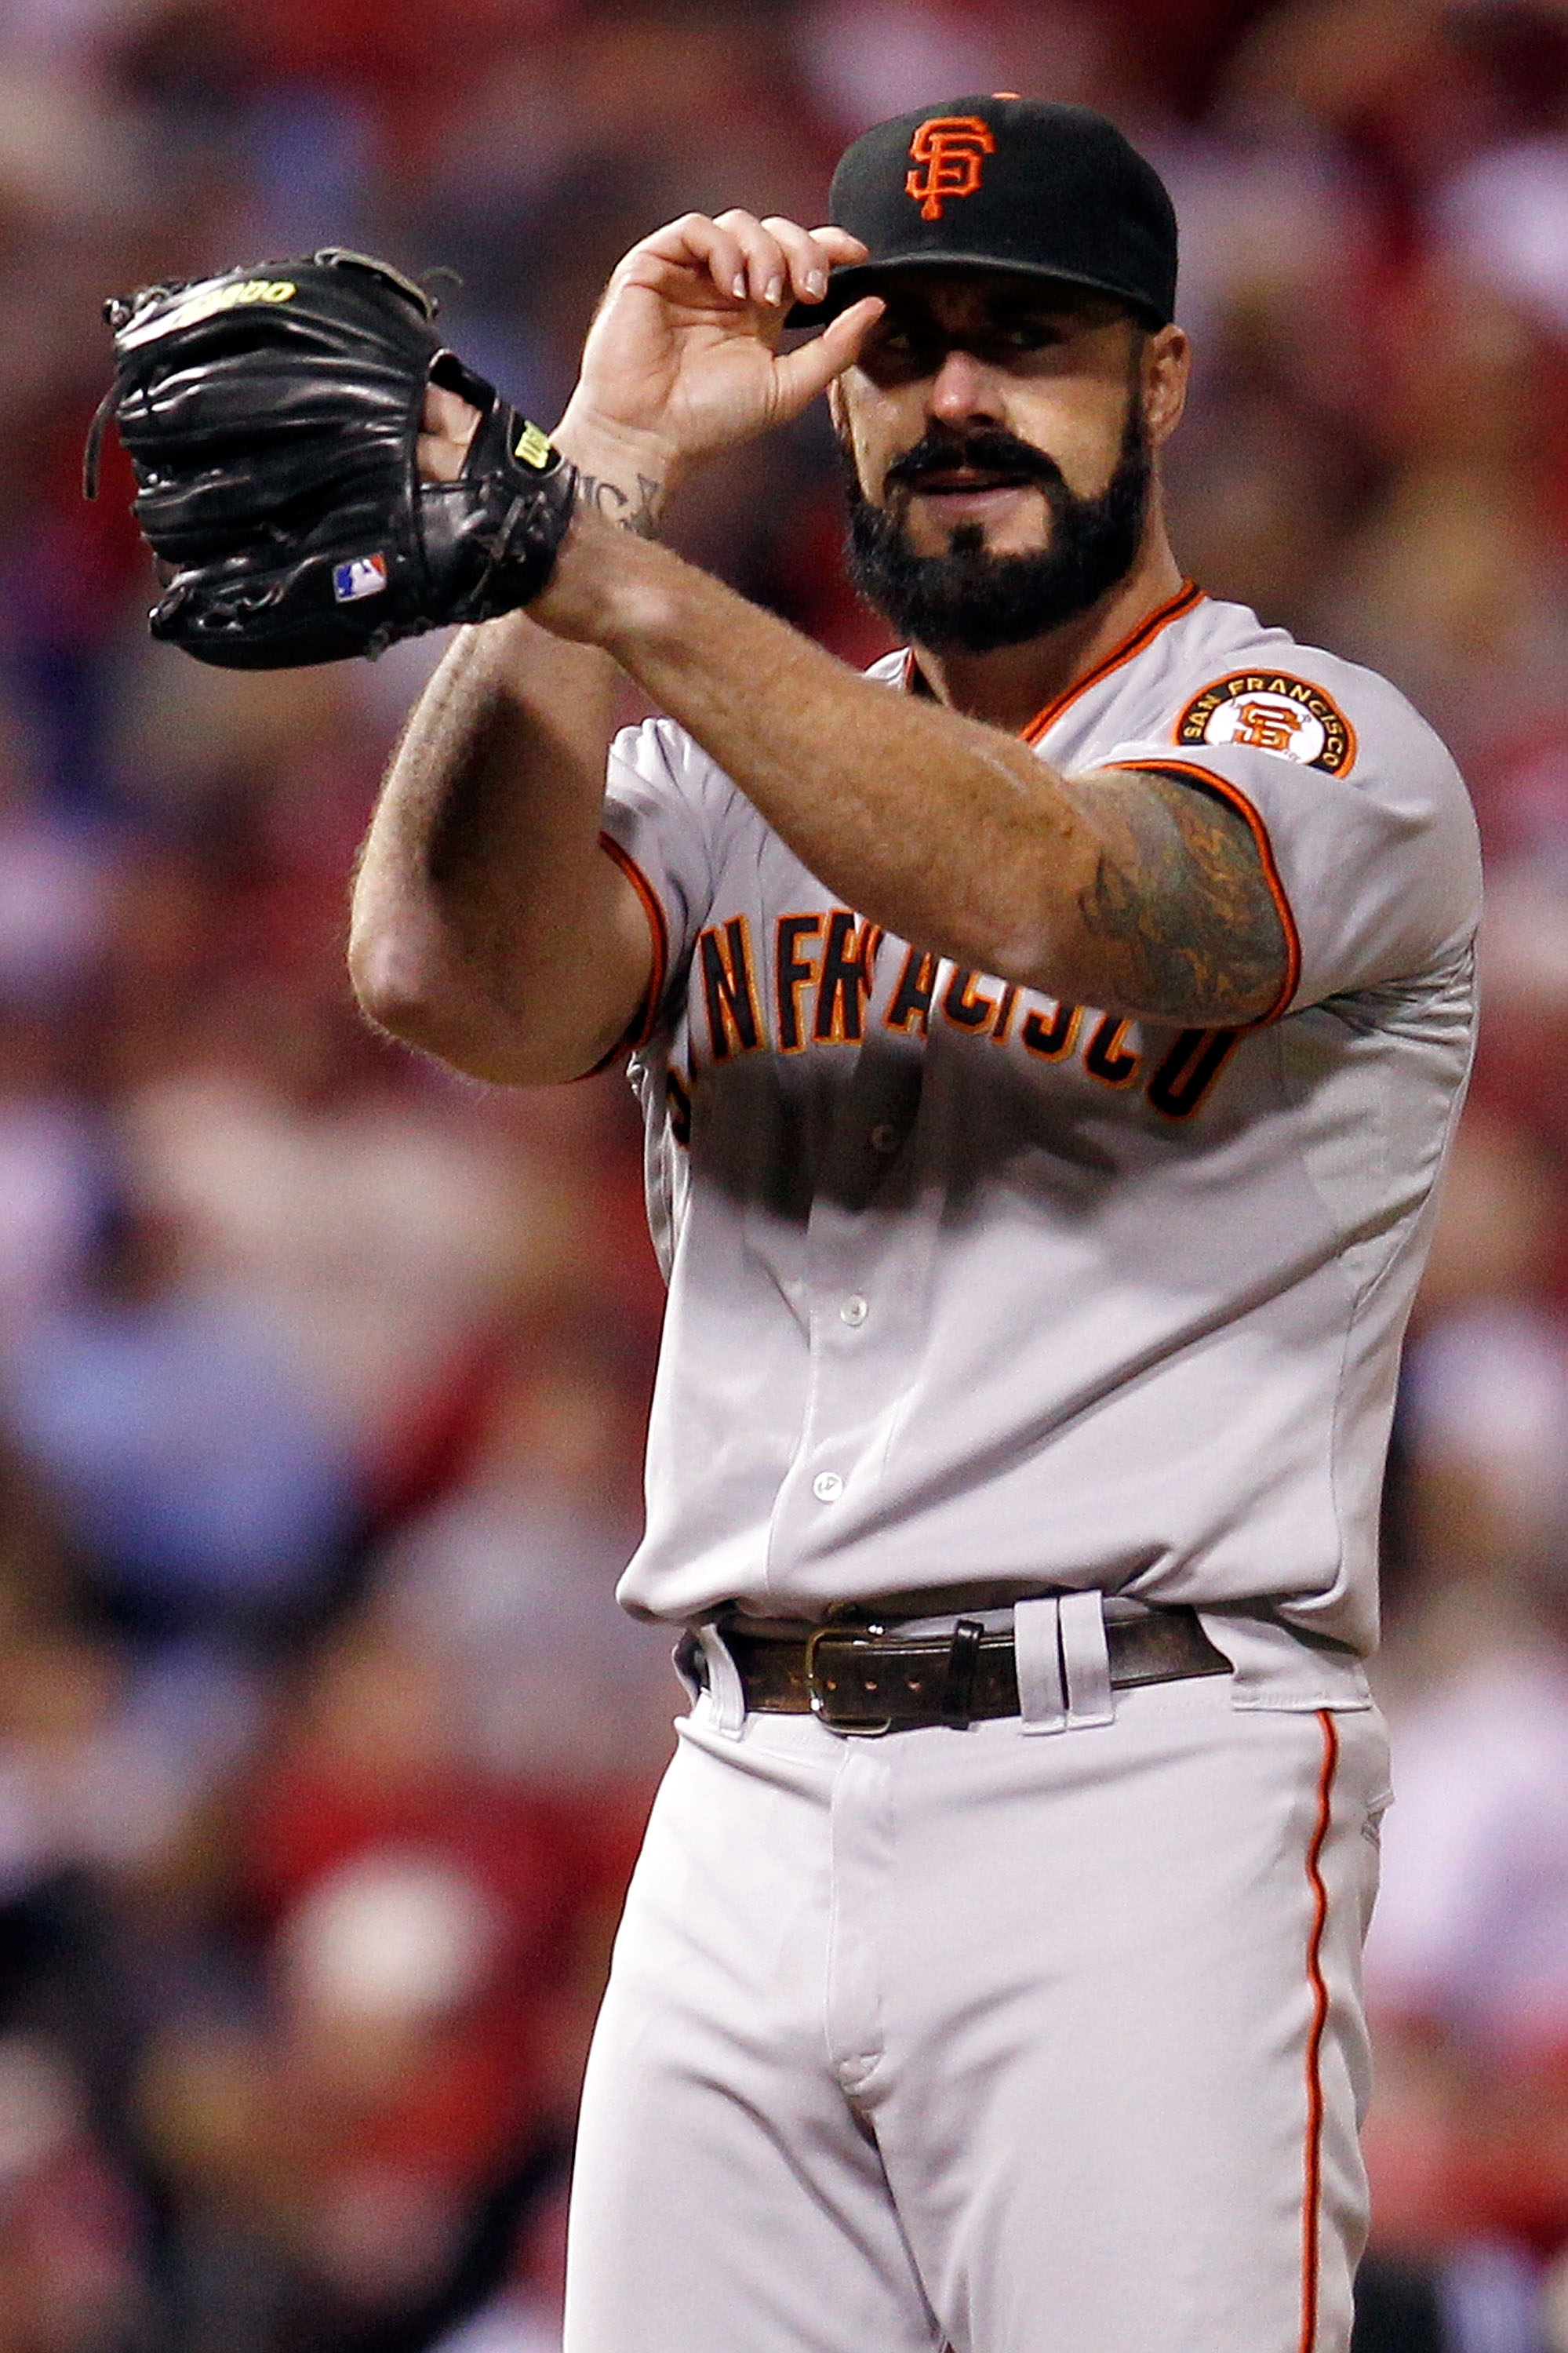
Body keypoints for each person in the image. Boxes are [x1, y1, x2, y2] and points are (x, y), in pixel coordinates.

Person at [349, 93, 1481, 2353]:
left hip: (1143, 1787)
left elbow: (1060, 887)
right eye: (900, 344)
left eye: (1029, 341)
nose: (956, 400)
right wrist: (606, 467)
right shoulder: (704, 750)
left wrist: (608, 575)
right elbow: (447, 975)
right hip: (740, 1788)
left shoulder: (1318, 739)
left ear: (1160, 382)